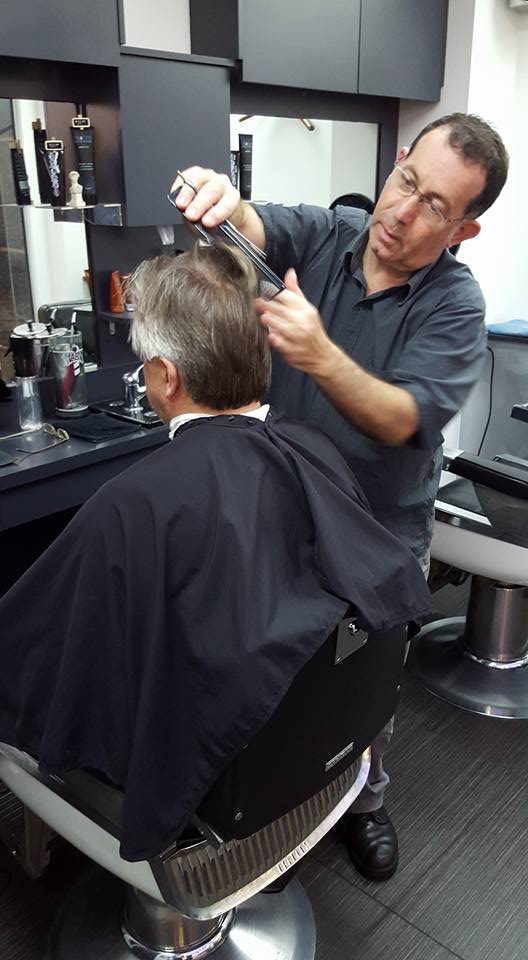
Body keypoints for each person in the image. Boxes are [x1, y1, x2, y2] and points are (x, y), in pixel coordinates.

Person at [0, 242, 431, 862]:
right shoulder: (315, 454)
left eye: (145, 361)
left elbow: (33, 651)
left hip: (211, 787)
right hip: (306, 761)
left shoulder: (132, 506)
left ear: (166, 378)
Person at [171, 112, 509, 880]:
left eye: (434, 207)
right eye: (406, 182)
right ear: (394, 165)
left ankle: (365, 799)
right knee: (277, 671)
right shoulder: (330, 232)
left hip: (381, 535)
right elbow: (256, 224)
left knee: (361, 690)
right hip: (288, 511)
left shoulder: (456, 306)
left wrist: (319, 354)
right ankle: (271, 803)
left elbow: (401, 417)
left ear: (463, 231)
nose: (401, 212)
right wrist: (224, 200)